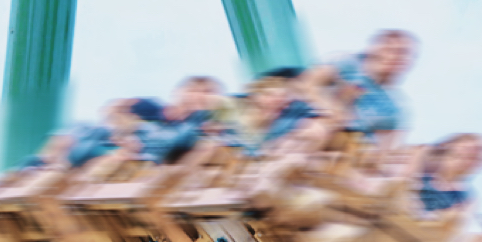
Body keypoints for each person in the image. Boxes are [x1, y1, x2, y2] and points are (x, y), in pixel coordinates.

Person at [67, 76, 225, 168]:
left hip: (153, 162)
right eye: (194, 91)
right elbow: (112, 110)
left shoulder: (201, 123)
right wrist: (121, 130)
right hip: (122, 152)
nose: (200, 97)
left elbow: (171, 147)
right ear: (178, 93)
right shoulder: (151, 109)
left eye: (208, 93)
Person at [305, 29, 418, 149]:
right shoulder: (346, 62)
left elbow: (386, 149)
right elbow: (307, 83)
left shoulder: (396, 107)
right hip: (310, 119)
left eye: (405, 53)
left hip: (348, 145)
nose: (397, 57)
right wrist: (331, 107)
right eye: (391, 50)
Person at [223, 68, 324, 156]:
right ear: (255, 98)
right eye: (269, 95)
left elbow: (315, 130)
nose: (277, 99)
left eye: (282, 96)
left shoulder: (294, 112)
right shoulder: (240, 119)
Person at [415, 133, 482, 222]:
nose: (475, 152)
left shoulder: (467, 197)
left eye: (476, 157)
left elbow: (452, 226)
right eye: (467, 149)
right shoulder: (420, 170)